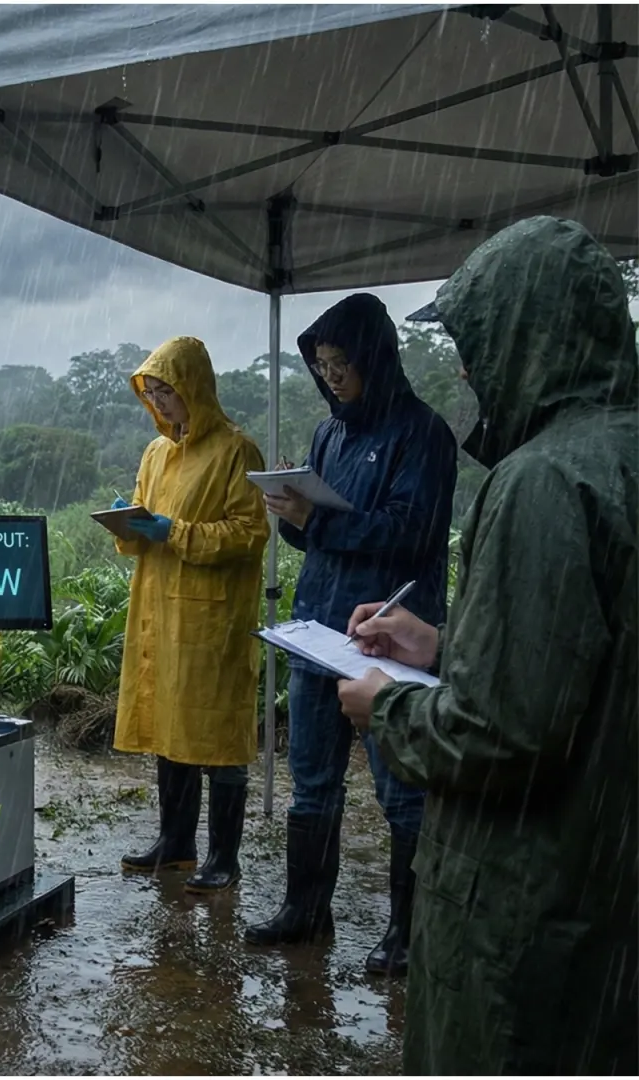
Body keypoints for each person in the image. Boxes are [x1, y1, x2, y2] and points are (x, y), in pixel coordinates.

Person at [337, 216, 637, 1074]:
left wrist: (384, 704)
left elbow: (502, 735)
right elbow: (591, 657)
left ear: (528, 334)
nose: (466, 367)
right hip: (604, 890)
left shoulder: (543, 480)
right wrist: (447, 642)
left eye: (476, 339)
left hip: (526, 909)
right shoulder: (620, 456)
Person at [244, 294, 458, 977]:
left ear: (374, 357)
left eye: (341, 363)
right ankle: (306, 910)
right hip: (317, 633)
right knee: (312, 782)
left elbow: (411, 535)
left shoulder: (422, 434)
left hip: (387, 638)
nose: (331, 377)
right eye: (322, 365)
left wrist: (322, 519)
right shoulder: (328, 434)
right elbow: (315, 538)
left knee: (403, 790)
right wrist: (290, 512)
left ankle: (408, 931)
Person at [112, 336, 269, 892]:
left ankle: (224, 856)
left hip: (213, 621)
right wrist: (128, 528)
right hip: (159, 608)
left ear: (194, 388)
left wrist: (173, 532)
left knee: (219, 734)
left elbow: (250, 533)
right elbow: (142, 526)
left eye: (167, 392)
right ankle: (175, 842)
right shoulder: (155, 454)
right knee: (168, 725)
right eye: (151, 394)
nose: (159, 403)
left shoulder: (235, 451)